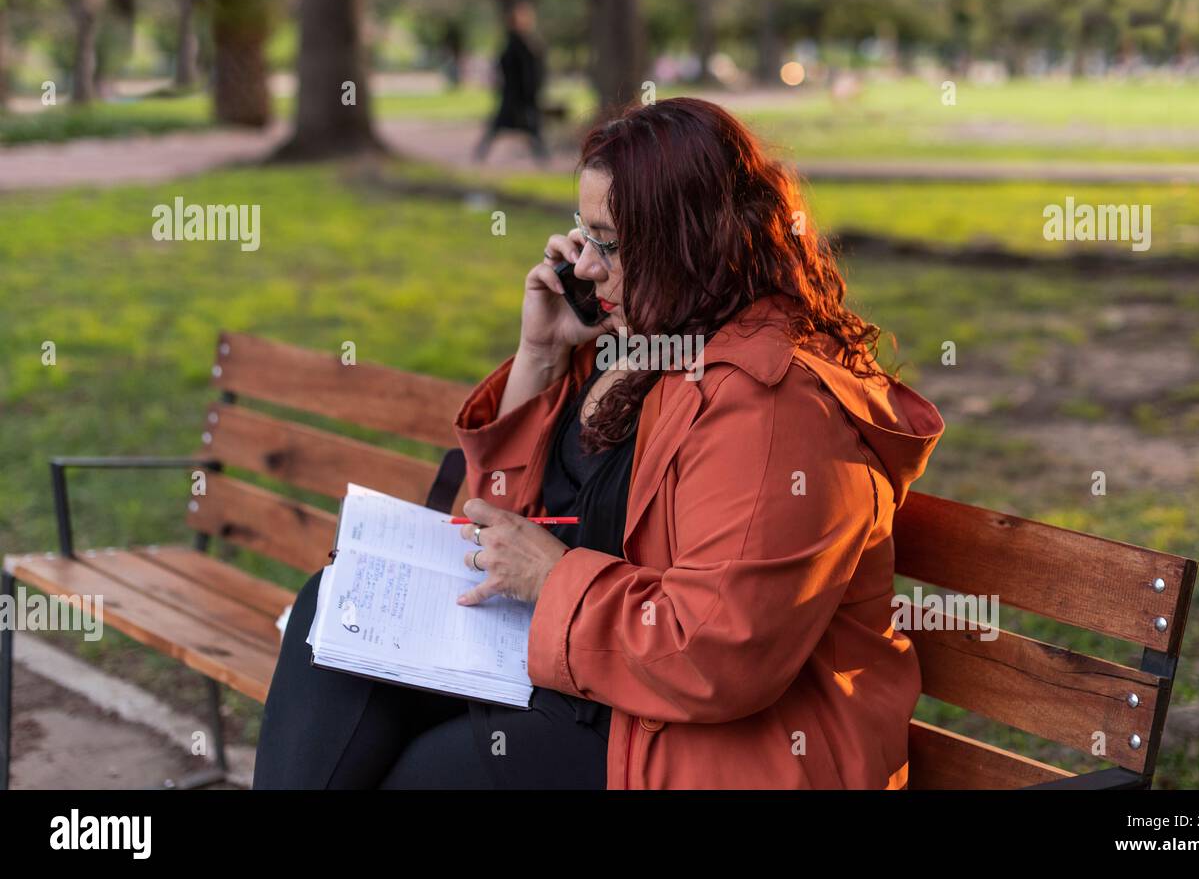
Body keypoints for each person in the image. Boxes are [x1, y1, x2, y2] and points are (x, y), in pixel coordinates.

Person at [253, 96, 944, 789]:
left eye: (609, 242)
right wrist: (541, 356)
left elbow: (716, 654)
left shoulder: (772, 404)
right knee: (332, 619)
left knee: (418, 775)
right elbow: (490, 519)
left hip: (704, 741)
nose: (584, 267)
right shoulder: (641, 346)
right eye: (582, 236)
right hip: (593, 680)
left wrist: (552, 577)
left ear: (690, 240)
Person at [473, 1, 548, 164]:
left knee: (530, 129)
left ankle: (542, 158)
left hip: (519, 97)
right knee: (525, 128)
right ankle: (543, 158)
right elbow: (519, 71)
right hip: (516, 97)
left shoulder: (522, 43)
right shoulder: (516, 45)